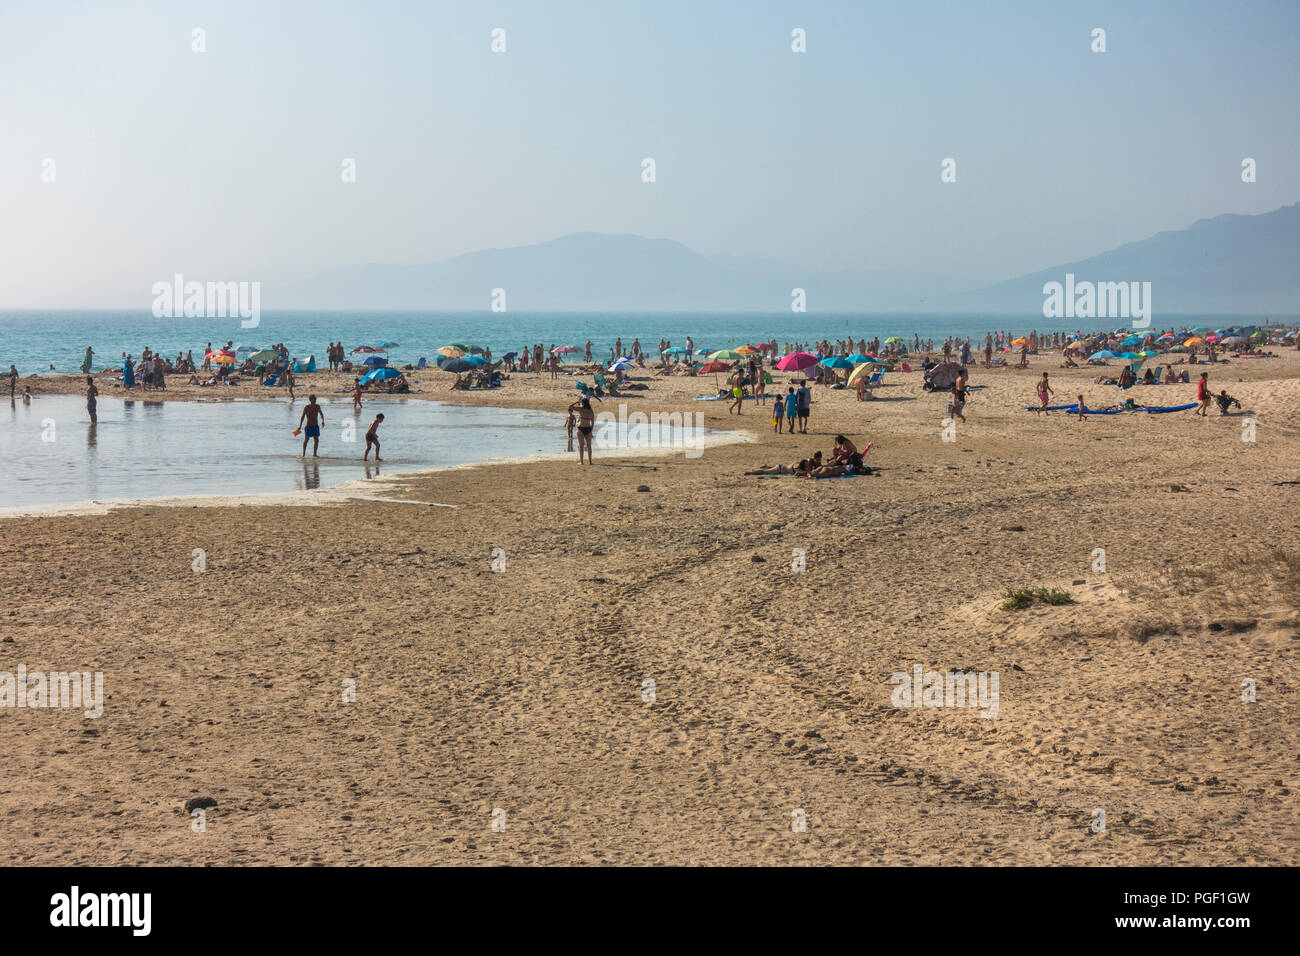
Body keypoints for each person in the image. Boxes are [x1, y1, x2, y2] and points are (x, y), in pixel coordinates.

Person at [568, 397, 595, 464]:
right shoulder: (591, 410)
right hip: (588, 428)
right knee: (589, 446)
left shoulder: (581, 409)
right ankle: (590, 461)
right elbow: (593, 422)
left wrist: (576, 402)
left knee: (581, 445)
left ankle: (582, 462)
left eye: (581, 403)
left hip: (581, 428)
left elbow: (570, 407)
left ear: (582, 403)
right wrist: (591, 430)